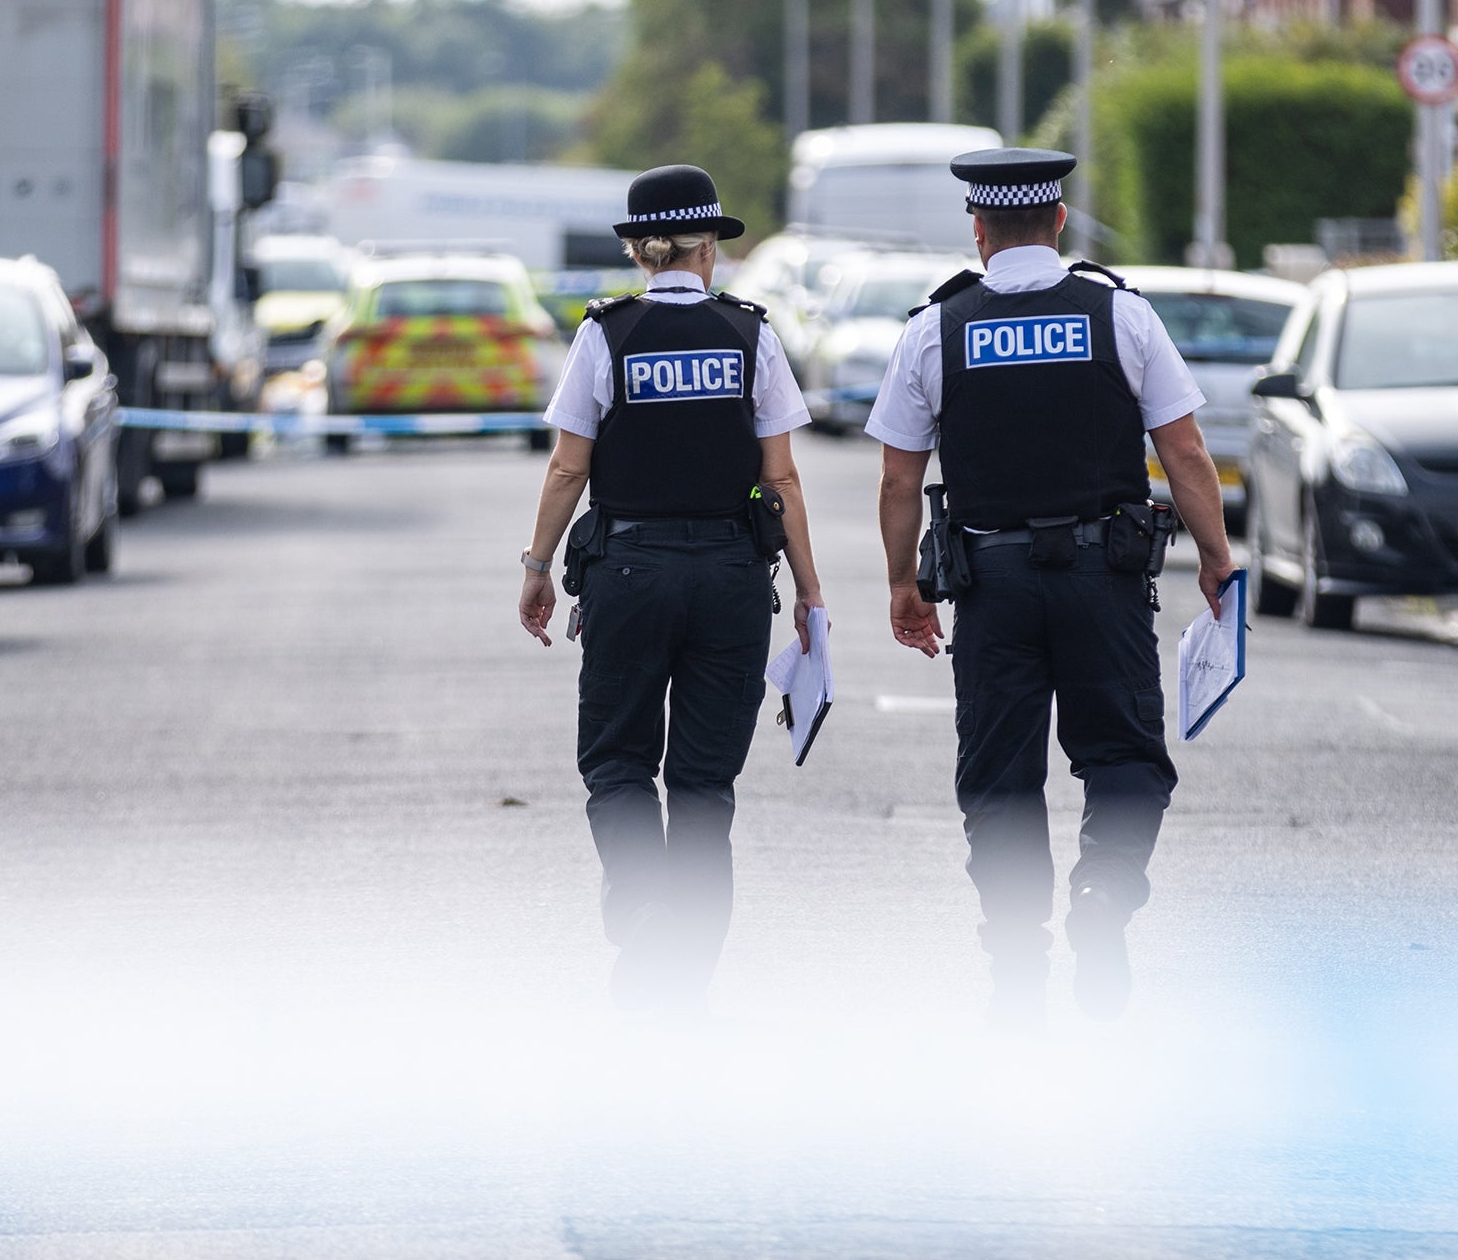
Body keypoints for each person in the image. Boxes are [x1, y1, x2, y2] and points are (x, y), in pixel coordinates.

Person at [865, 148, 1235, 1028]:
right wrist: (1217, 556)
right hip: (1103, 582)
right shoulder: (1119, 314)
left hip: (989, 584)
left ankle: (1017, 954)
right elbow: (1182, 451)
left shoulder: (935, 328)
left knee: (998, 776)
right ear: (1060, 221)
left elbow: (896, 479)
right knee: (1126, 760)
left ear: (980, 229)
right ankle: (1104, 900)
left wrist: (901, 587)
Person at [516, 164, 825, 1014]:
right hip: (730, 578)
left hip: (628, 574)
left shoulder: (604, 336)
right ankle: (688, 960)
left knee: (617, 760)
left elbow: (568, 465)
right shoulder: (751, 334)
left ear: (639, 251)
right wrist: (809, 593)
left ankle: (642, 903)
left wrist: (539, 567)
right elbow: (784, 481)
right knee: (702, 782)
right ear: (707, 251)